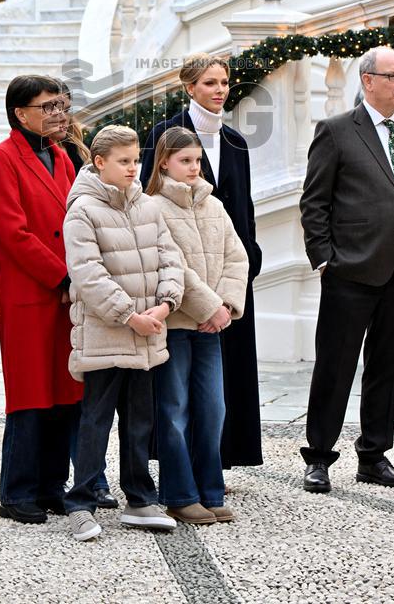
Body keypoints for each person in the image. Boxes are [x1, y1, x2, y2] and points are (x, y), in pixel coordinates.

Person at [299, 46, 394, 493]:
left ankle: (374, 456)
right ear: (367, 81)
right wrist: (325, 259)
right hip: (350, 273)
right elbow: (314, 203)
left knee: (390, 368)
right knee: (335, 366)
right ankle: (319, 457)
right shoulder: (337, 131)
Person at [140, 53, 263, 469]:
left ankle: (218, 462)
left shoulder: (236, 141)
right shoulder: (164, 134)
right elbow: (149, 200)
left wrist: (249, 258)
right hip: (183, 282)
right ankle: (180, 467)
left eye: (224, 82)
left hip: (229, 276)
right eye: (210, 83)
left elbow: (244, 206)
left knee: (226, 377)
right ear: (190, 87)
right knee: (180, 384)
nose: (220, 90)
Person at [63, 125, 184, 542]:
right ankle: (81, 502)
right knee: (95, 420)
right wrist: (130, 316)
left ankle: (139, 498)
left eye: (136, 160)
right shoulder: (82, 211)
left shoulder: (148, 206)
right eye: (124, 161)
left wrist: (165, 304)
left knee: (140, 420)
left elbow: (171, 259)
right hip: (106, 335)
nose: (133, 168)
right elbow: (88, 274)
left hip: (147, 333)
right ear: (100, 163)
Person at [0, 75, 83, 524]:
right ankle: (17, 492)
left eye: (61, 105)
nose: (59, 114)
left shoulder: (62, 156)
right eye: (48, 107)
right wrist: (61, 276)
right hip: (30, 293)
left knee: (65, 391)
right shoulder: (1, 158)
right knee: (29, 394)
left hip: (66, 293)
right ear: (20, 113)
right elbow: (12, 232)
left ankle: (51, 486)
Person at [146, 128, 249, 524]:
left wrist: (225, 306)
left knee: (213, 409)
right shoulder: (153, 208)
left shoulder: (214, 205)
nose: (193, 167)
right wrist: (209, 306)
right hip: (174, 325)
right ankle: (179, 494)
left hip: (210, 327)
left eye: (197, 160)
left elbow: (237, 258)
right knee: (174, 410)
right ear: (164, 163)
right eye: (185, 160)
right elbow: (171, 264)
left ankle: (210, 490)